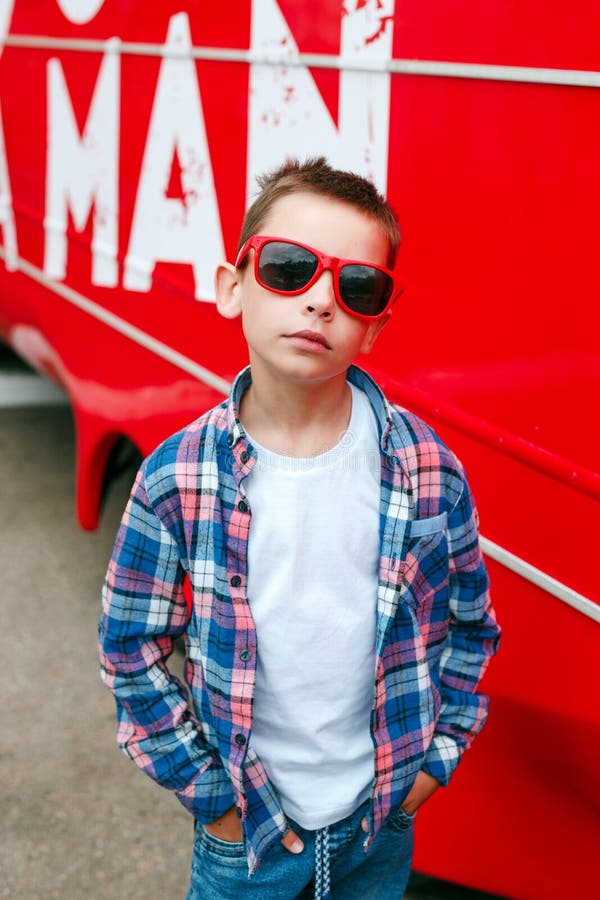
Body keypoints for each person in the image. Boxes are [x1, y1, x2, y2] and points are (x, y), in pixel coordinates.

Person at [99, 157, 501, 899]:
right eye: (290, 268)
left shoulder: (426, 470)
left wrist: (430, 767)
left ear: (375, 325)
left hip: (378, 826)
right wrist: (212, 799)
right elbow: (132, 645)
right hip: (245, 841)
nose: (321, 301)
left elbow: (470, 629)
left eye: (356, 287)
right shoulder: (175, 479)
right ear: (232, 287)